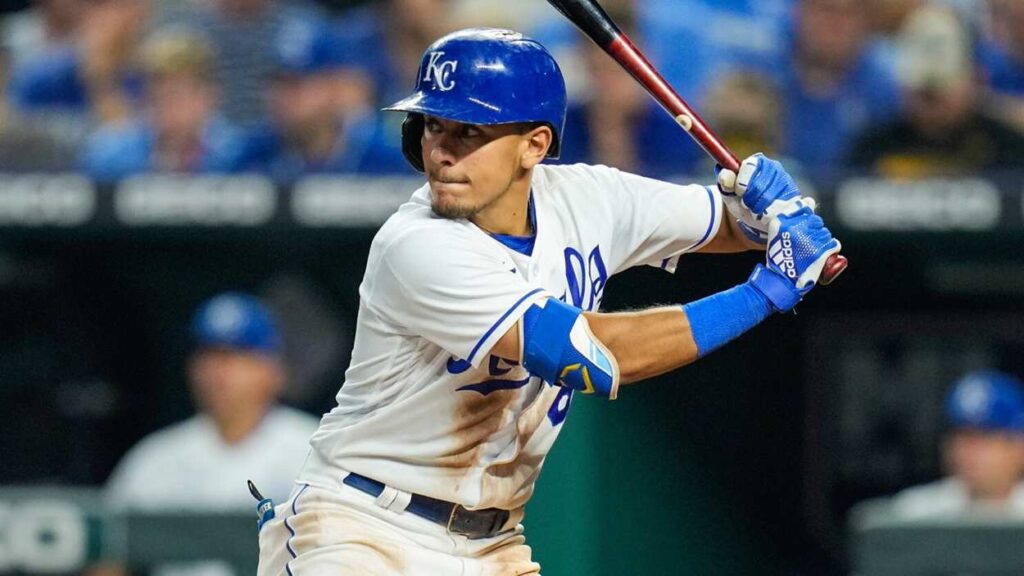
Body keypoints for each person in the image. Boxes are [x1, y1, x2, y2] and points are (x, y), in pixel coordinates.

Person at [256, 28, 841, 575]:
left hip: (493, 541)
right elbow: (592, 358)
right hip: (363, 529)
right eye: (434, 126)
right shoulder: (418, 245)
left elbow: (732, 222)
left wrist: (772, 203)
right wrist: (763, 294)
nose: (443, 152)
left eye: (471, 132)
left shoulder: (589, 198)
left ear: (535, 144)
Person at [95, 293, 318, 576]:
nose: (218, 371)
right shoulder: (156, 457)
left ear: (274, 369)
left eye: (236, 356)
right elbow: (107, 558)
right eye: (209, 355)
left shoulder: (312, 449)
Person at [848, 5, 1024, 178]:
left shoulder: (1008, 150)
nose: (930, 103)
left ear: (975, 79)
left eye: (940, 88)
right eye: (922, 91)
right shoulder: (872, 149)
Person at [240, 17, 408, 182]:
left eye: (296, 84)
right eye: (277, 82)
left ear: (333, 87)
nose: (282, 96)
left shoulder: (384, 156)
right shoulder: (254, 156)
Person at [78, 28, 249, 183]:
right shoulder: (111, 154)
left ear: (209, 95)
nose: (166, 105)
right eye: (157, 94)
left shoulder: (238, 155)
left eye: (177, 93)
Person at [776, 0, 901, 176]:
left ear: (866, 22)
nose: (835, 23)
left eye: (847, 14)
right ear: (798, 14)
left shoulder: (886, 90)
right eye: (825, 10)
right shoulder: (768, 75)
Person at [890, 370, 1024, 519]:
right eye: (960, 438)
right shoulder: (916, 510)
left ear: (1019, 446)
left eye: (983, 438)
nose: (967, 452)